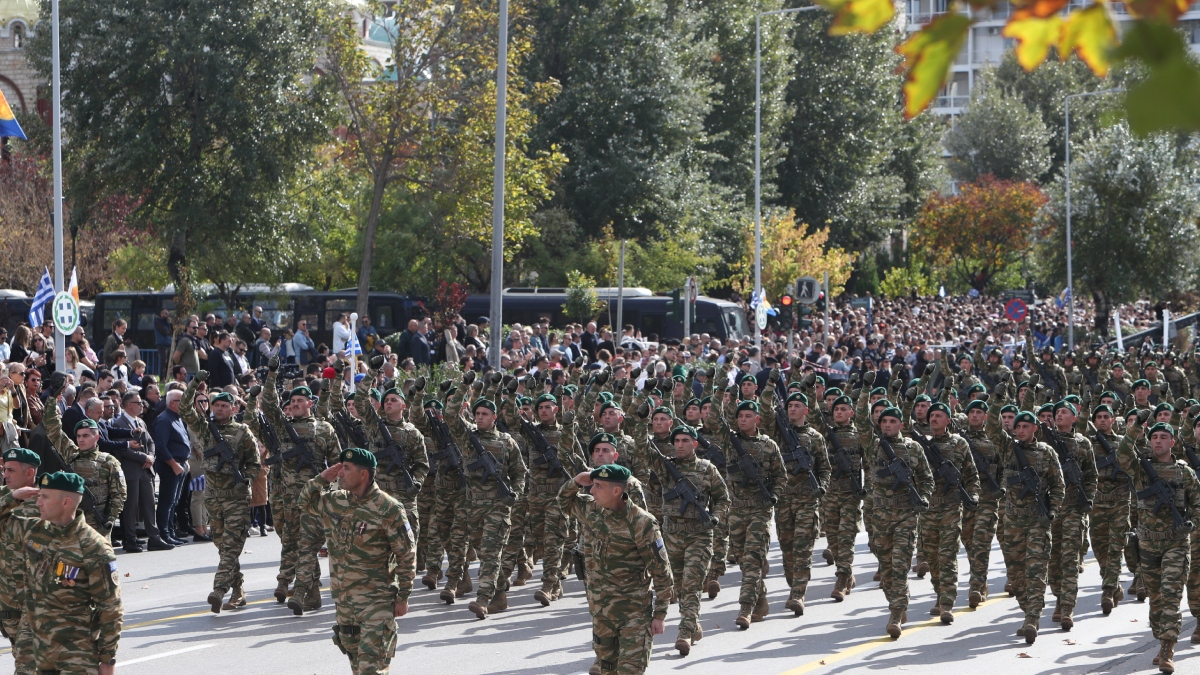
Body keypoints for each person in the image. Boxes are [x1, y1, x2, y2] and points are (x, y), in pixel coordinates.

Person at [301, 449, 415, 674]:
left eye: (347, 468)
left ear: (363, 475)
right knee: (357, 668)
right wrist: (323, 477)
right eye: (341, 467)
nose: (341, 473)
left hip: (377, 603)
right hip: (344, 603)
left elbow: (406, 554)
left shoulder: (388, 508)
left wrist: (403, 597)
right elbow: (304, 501)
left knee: (370, 670)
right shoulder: (336, 501)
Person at [0, 471, 122, 675]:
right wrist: (12, 496)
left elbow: (110, 607)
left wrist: (107, 659)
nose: (38, 502)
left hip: (74, 657)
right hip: (33, 654)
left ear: (66, 502)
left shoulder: (93, 547)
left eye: (45, 497)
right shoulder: (34, 530)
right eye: (39, 496)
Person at [560, 464, 672, 675]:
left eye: (598, 486)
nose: (592, 490)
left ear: (616, 491)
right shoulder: (591, 510)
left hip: (634, 615)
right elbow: (564, 502)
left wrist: (660, 614)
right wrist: (575, 481)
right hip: (601, 613)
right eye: (592, 485)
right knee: (606, 671)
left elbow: (662, 571)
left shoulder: (642, 523)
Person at [442, 373, 527, 618]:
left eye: (485, 415)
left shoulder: (506, 441)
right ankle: (499, 595)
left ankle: (483, 599)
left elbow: (520, 472)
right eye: (477, 414)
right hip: (473, 508)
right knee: (486, 553)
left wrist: (516, 494)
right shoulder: (468, 438)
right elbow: (450, 415)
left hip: (498, 506)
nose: (479, 418)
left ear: (494, 418)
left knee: (491, 553)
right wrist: (464, 386)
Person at [261, 356, 342, 615]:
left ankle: (304, 591)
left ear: (310, 403)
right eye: (292, 402)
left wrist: (332, 490)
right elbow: (270, 404)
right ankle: (313, 593)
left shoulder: (325, 429)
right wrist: (272, 374)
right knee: (294, 543)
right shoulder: (283, 428)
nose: (295, 405)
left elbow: (338, 463)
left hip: (316, 497)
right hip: (288, 498)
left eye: (300, 401)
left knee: (306, 544)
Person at [1118, 421, 1200, 674]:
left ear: (1172, 443)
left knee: (1171, 597)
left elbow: (1197, 504)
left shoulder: (1184, 472)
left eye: (1164, 437)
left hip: (1176, 541)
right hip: (1147, 543)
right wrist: (1134, 430)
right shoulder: (1141, 469)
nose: (1158, 441)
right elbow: (1122, 452)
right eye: (1154, 437)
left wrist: (1192, 523)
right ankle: (1161, 635)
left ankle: (1167, 648)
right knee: (1155, 599)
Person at [182, 372, 262, 612]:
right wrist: (195, 384)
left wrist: (245, 479)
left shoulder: (242, 432)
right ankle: (238, 590)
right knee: (222, 546)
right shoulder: (204, 428)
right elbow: (186, 408)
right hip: (213, 498)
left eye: (224, 405)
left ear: (233, 408)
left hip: (236, 498)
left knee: (230, 547)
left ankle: (218, 590)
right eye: (215, 405)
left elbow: (255, 464)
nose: (218, 409)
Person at [915, 402, 980, 624]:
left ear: (948, 421)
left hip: (952, 507)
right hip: (929, 507)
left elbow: (971, 475)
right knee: (932, 556)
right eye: (932, 415)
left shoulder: (959, 443)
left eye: (939, 416)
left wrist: (974, 495)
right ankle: (939, 593)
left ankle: (947, 603)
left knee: (947, 555)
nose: (933, 419)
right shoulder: (921, 445)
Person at [43, 399, 127, 539]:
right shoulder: (72, 455)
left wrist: (110, 518)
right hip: (73, 522)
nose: (81, 440)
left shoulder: (108, 462)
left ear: (96, 437)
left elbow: (119, 494)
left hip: (98, 524)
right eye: (79, 436)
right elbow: (54, 431)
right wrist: (51, 402)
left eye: (86, 436)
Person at [109, 392, 171, 553]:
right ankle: (130, 539)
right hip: (131, 470)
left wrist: (150, 456)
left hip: (145, 469)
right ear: (129, 405)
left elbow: (150, 441)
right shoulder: (118, 423)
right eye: (138, 403)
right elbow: (122, 448)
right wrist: (143, 457)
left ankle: (154, 538)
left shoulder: (141, 422)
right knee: (131, 506)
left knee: (149, 504)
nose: (141, 406)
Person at [0, 447, 43, 675]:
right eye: (4, 469)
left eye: (11, 470)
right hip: (6, 598)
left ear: (29, 474)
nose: (5, 474)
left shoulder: (44, 503)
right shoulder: (4, 496)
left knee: (27, 663)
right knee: (20, 652)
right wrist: (11, 497)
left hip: (34, 598)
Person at [152, 389, 192, 545]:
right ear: (173, 403)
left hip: (180, 463)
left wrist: (185, 461)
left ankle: (171, 531)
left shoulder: (177, 418)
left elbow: (180, 442)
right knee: (167, 501)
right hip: (170, 465)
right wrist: (174, 464)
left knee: (174, 501)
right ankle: (164, 533)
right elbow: (160, 446)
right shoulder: (164, 419)